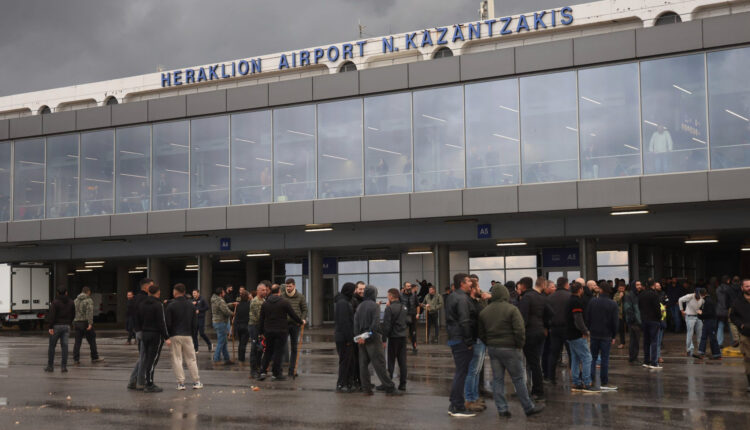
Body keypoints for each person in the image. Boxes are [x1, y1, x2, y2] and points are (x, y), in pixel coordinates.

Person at [478, 284, 544, 418]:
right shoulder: (512, 309)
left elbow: (481, 332)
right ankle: (528, 407)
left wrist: (489, 343)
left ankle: (502, 409)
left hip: (493, 348)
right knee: (518, 379)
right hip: (510, 348)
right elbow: (520, 330)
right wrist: (519, 345)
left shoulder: (484, 312)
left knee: (497, 379)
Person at [353, 285, 401, 396]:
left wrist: (359, 337)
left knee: (363, 365)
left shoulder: (360, 306)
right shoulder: (375, 306)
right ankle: (389, 387)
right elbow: (375, 325)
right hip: (372, 339)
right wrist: (368, 336)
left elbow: (355, 324)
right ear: (373, 294)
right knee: (380, 364)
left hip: (361, 340)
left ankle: (366, 389)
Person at [445, 273, 477, 417]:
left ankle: (454, 403)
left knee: (460, 371)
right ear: (462, 283)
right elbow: (465, 321)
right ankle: (457, 406)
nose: (471, 283)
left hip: (454, 337)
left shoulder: (452, 296)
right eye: (469, 281)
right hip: (462, 339)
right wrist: (469, 342)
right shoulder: (462, 299)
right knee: (461, 373)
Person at [518, 277, 552, 401]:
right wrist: (545, 327)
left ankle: (538, 391)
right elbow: (550, 313)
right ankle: (537, 389)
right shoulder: (542, 297)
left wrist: (519, 334)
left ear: (523, 286)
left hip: (530, 333)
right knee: (536, 362)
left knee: (533, 363)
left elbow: (523, 318)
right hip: (540, 332)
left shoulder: (527, 298)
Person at [259, 285, 303, 381]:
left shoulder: (265, 303)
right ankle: (276, 373)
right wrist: (300, 321)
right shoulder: (284, 302)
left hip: (269, 331)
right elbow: (292, 314)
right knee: (278, 352)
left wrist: (261, 332)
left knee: (268, 351)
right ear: (279, 291)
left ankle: (262, 372)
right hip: (281, 330)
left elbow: (261, 319)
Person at [165, 283, 202, 390]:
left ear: (175, 292)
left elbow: (168, 323)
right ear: (184, 292)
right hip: (188, 335)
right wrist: (193, 335)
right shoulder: (191, 305)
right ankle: (196, 382)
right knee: (191, 359)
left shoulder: (171, 305)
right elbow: (195, 323)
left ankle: (181, 383)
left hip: (175, 335)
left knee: (177, 359)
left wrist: (167, 336)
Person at [566, 282, 599, 393]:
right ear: (580, 290)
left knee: (575, 358)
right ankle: (587, 382)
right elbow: (578, 319)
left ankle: (577, 382)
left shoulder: (569, 300)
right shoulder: (576, 302)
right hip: (577, 334)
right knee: (587, 358)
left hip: (570, 334)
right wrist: (585, 331)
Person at [137, 284, 171, 393]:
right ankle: (149, 383)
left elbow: (138, 319)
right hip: (155, 334)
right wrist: (166, 337)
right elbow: (162, 322)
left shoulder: (142, 304)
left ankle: (146, 381)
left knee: (147, 358)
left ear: (148, 292)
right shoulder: (158, 305)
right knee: (153, 359)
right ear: (158, 293)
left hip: (145, 333)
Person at [585, 283, 619, 390]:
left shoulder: (592, 301)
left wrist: (589, 329)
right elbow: (615, 322)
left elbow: (587, 318)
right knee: (605, 359)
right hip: (606, 335)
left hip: (594, 333)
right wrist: (614, 335)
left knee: (593, 357)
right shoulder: (613, 304)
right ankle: (604, 382)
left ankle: (590, 379)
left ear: (601, 290)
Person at [464, 278, 490, 412]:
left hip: (481, 339)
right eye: (478, 287)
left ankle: (474, 397)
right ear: (473, 289)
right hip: (476, 339)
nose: (480, 289)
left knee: (477, 371)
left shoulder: (476, 302)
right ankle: (469, 399)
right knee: (473, 371)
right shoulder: (470, 303)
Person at [128, 278, 153, 390]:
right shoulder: (145, 299)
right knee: (144, 357)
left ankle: (132, 380)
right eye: (151, 285)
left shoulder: (135, 299)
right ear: (146, 287)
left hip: (138, 330)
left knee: (143, 356)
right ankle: (140, 382)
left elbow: (131, 315)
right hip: (144, 330)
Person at [382, 288, 408, 392]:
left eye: (388, 295)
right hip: (403, 337)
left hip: (393, 337)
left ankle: (388, 383)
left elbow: (386, 325)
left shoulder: (389, 308)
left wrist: (384, 339)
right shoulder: (404, 307)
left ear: (391, 296)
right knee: (402, 362)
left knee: (391, 361)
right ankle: (403, 384)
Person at [546, 277, 571, 385]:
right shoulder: (570, 296)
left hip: (554, 328)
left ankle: (551, 377)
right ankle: (573, 376)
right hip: (568, 328)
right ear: (566, 284)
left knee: (553, 353)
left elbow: (546, 314)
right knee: (571, 353)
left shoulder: (550, 297)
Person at [45, 288, 76, 373]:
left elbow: (52, 315)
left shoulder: (55, 302)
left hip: (56, 326)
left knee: (52, 346)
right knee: (65, 347)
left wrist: (50, 327)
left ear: (58, 293)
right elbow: (73, 314)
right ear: (66, 293)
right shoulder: (71, 302)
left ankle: (50, 366)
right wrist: (69, 322)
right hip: (66, 326)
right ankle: (63, 367)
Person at [282, 278, 307, 378]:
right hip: (284, 324)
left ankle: (292, 370)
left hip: (295, 325)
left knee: (294, 348)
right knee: (282, 346)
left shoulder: (300, 296)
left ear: (294, 286)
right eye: (287, 286)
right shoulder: (282, 296)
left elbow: (304, 309)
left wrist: (303, 319)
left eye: (290, 286)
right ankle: (279, 370)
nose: (288, 288)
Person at [334, 283, 357, 393]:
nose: (355, 292)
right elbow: (344, 323)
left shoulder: (344, 301)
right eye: (354, 290)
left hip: (343, 337)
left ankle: (348, 383)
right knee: (345, 361)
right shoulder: (343, 303)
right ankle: (341, 384)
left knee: (349, 361)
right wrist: (349, 339)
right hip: (344, 338)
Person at [728, 279, 750, 392]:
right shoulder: (737, 302)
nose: (749, 288)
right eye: (747, 286)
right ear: (742, 288)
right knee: (748, 359)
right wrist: (741, 325)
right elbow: (732, 317)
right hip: (746, 335)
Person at [72, 286, 103, 365]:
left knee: (77, 342)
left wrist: (73, 322)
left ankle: (76, 359)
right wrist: (90, 323)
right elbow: (89, 312)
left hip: (77, 322)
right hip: (85, 322)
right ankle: (94, 357)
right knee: (92, 340)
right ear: (88, 292)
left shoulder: (75, 300)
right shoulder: (88, 300)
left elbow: (72, 312)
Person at [639, 281, 663, 370]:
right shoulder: (654, 294)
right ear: (653, 285)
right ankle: (654, 363)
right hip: (654, 320)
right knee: (654, 342)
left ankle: (646, 361)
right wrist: (659, 318)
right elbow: (657, 308)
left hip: (644, 320)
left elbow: (639, 307)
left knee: (646, 341)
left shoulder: (641, 294)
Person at [249, 282, 269, 379]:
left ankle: (258, 367)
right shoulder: (256, 301)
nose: (265, 292)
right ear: (258, 291)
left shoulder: (263, 300)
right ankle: (253, 370)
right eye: (263, 290)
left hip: (260, 327)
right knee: (254, 348)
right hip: (255, 327)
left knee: (260, 348)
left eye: (265, 290)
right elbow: (260, 317)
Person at [694, 288, 721, 360]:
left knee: (712, 338)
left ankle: (717, 355)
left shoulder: (708, 301)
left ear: (700, 294)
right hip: (708, 321)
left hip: (710, 321)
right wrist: (701, 313)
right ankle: (701, 353)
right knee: (704, 337)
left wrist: (701, 313)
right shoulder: (707, 300)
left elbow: (709, 313)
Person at [211, 287, 234, 365]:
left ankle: (227, 358)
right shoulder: (220, 301)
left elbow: (224, 306)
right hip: (221, 322)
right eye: (223, 292)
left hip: (217, 322)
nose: (224, 293)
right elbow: (226, 311)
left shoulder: (215, 299)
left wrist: (232, 304)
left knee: (224, 342)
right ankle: (216, 358)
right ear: (220, 293)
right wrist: (233, 314)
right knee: (221, 342)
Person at [679, 289, 705, 357]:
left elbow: (703, 304)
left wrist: (702, 311)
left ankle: (700, 350)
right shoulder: (689, 296)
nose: (698, 298)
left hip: (698, 316)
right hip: (690, 316)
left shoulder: (702, 298)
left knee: (700, 334)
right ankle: (689, 350)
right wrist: (681, 310)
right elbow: (680, 300)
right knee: (690, 334)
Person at [624, 281, 643, 364]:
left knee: (636, 341)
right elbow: (627, 308)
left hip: (637, 321)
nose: (639, 286)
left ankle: (634, 358)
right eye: (637, 285)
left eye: (640, 284)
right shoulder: (629, 295)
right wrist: (633, 320)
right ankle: (633, 358)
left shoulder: (638, 295)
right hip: (634, 322)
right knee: (634, 341)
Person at [717, 275, 735, 347]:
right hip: (728, 310)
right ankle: (733, 342)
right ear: (728, 280)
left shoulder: (718, 289)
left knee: (720, 326)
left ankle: (719, 342)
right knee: (731, 326)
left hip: (720, 310)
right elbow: (732, 300)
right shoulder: (730, 289)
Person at [401, 282, 419, 354]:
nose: (409, 287)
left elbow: (417, 305)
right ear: (404, 287)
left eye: (410, 286)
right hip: (403, 316)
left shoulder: (414, 295)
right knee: (402, 332)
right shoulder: (400, 295)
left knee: (413, 333)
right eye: (408, 286)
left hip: (412, 316)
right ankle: (403, 347)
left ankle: (414, 348)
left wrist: (418, 314)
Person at [234, 291, 251, 363]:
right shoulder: (249, 305)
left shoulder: (238, 305)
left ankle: (240, 357)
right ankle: (241, 357)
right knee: (243, 343)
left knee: (241, 342)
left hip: (239, 325)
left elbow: (236, 316)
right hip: (246, 325)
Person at [613, 281, 627, 348]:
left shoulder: (627, 294)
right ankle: (622, 343)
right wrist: (619, 297)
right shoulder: (616, 294)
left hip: (628, 314)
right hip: (620, 314)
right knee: (621, 329)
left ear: (624, 288)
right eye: (620, 288)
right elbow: (614, 303)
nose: (621, 289)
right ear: (618, 288)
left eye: (622, 288)